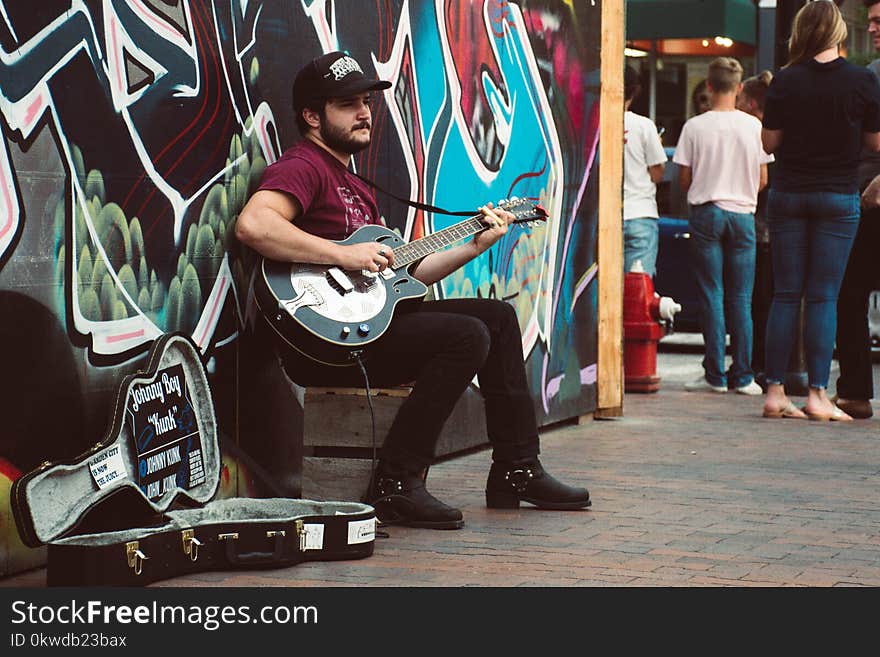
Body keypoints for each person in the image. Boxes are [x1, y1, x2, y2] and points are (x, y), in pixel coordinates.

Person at [234, 51, 591, 530]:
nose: (365, 112)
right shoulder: (304, 166)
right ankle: (397, 483)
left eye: (366, 101)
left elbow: (405, 281)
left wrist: (475, 244)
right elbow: (254, 226)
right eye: (348, 104)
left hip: (364, 324)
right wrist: (345, 255)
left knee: (498, 319)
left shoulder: (352, 182)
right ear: (312, 116)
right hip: (324, 342)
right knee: (466, 336)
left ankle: (516, 469)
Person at [761, 0, 880, 421]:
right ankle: (817, 395)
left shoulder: (786, 79)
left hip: (789, 193)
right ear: (838, 32)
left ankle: (774, 392)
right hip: (836, 197)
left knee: (786, 294)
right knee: (824, 296)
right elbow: (876, 144)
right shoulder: (862, 80)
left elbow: (768, 144)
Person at [673, 57, 771, 396]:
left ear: (709, 86)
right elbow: (762, 178)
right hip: (744, 216)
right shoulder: (753, 127)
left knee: (711, 294)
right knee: (741, 298)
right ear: (740, 87)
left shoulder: (694, 127)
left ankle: (714, 375)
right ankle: (743, 376)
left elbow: (683, 179)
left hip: (707, 212)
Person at [833, 0, 880, 420]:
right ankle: (854, 392)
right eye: (871, 22)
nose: (874, 28)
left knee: (850, 294)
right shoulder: (872, 74)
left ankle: (855, 392)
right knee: (850, 295)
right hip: (862, 199)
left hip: (873, 199)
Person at [736, 71, 774, 387]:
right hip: (770, 230)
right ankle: (761, 365)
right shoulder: (772, 134)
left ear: (750, 104)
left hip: (760, 228)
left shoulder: (760, 135)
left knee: (757, 302)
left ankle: (755, 365)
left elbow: (763, 183)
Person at [623, 66, 666, 276]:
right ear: (635, 91)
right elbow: (658, 173)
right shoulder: (644, 126)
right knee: (638, 291)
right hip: (641, 213)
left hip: (601, 217)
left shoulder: (594, 126)